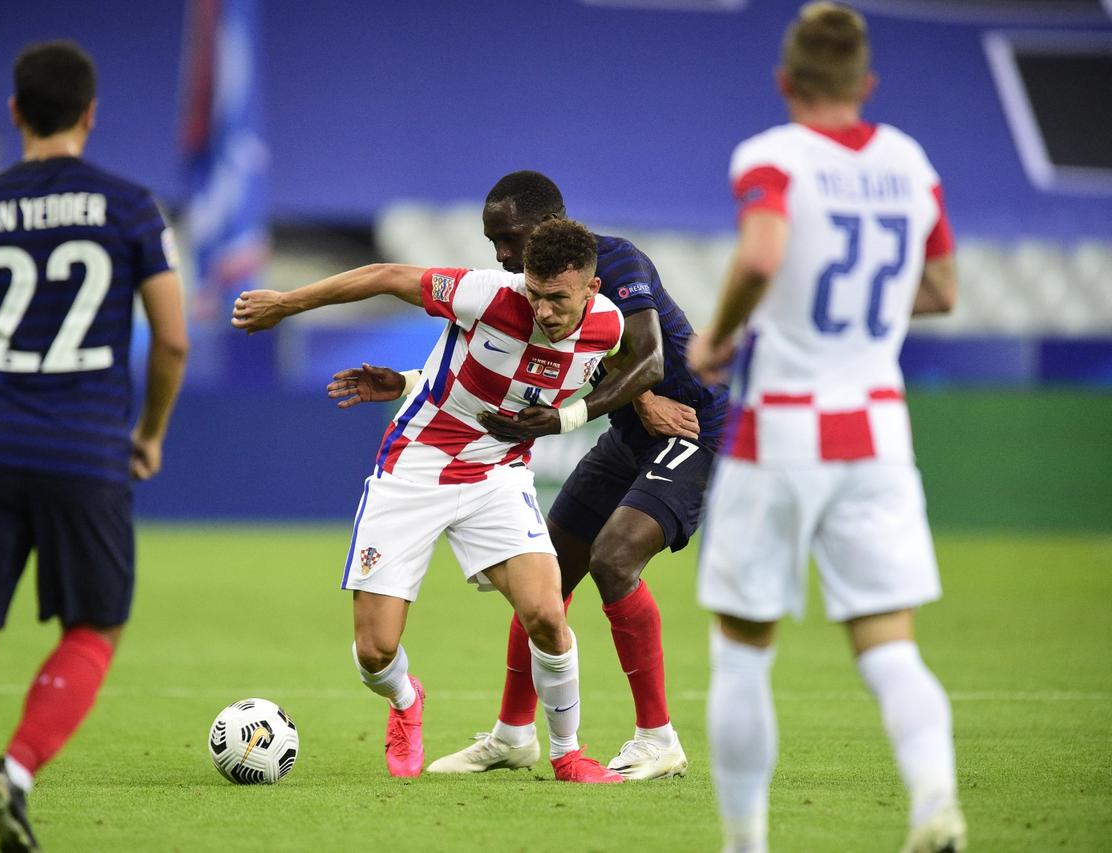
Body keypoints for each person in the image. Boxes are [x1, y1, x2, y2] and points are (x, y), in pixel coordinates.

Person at [327, 170, 728, 780]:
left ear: (549, 236)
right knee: (549, 579)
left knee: (615, 557)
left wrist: (591, 410)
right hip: (628, 433)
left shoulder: (617, 264)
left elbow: (644, 361)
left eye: (509, 241)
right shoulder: (524, 296)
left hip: (691, 428)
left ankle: (658, 737)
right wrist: (412, 382)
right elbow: (521, 372)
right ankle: (514, 736)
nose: (503, 256)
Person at [685, 4, 964, 852]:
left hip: (782, 433)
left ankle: (745, 845)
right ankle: (934, 802)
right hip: (878, 430)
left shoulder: (772, 156)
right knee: (888, 644)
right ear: (865, 85)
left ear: (785, 83)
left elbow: (764, 253)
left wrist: (721, 333)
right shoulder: (911, 164)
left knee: (742, 652)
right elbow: (944, 289)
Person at [0, 42, 188, 853]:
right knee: (95, 626)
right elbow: (171, 342)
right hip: (89, 448)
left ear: (15, 111)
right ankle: (18, 769)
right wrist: (150, 433)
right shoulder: (131, 207)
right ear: (91, 116)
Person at [232, 218, 625, 784]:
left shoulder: (609, 326)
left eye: (557, 299)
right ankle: (405, 702)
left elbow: (628, 369)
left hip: (498, 474)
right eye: (535, 295)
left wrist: (649, 403)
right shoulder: (488, 294)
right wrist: (286, 304)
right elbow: (387, 274)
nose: (543, 311)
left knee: (546, 613)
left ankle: (568, 754)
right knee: (374, 650)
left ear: (590, 289)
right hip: (415, 468)